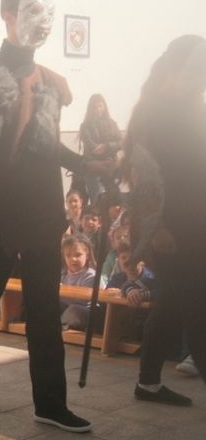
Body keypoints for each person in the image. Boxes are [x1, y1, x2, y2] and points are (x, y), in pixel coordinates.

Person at [0, 0, 107, 433]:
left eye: (48, 13)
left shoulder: (53, 83)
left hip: (41, 214)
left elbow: (50, 148)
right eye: (32, 11)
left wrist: (88, 162)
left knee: (42, 310)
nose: (42, 22)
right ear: (8, 16)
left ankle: (50, 403)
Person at [122, 34, 206, 405]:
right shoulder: (153, 111)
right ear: (177, 67)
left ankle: (148, 383)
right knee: (198, 307)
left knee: (172, 301)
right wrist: (158, 228)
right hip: (171, 228)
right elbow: (142, 176)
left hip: (197, 221)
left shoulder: (193, 106)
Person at [79, 94, 122, 203]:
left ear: (104, 107)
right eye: (95, 107)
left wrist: (107, 146)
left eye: (100, 106)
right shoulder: (85, 126)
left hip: (111, 169)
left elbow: (122, 142)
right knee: (97, 200)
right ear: (90, 108)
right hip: (94, 170)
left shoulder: (112, 124)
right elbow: (92, 147)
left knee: (115, 201)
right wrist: (108, 150)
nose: (98, 109)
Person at [60, 233, 96, 331]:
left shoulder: (91, 276)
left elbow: (84, 301)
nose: (73, 259)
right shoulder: (63, 274)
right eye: (68, 255)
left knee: (74, 310)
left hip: (84, 311)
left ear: (87, 255)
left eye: (78, 255)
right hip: (65, 307)